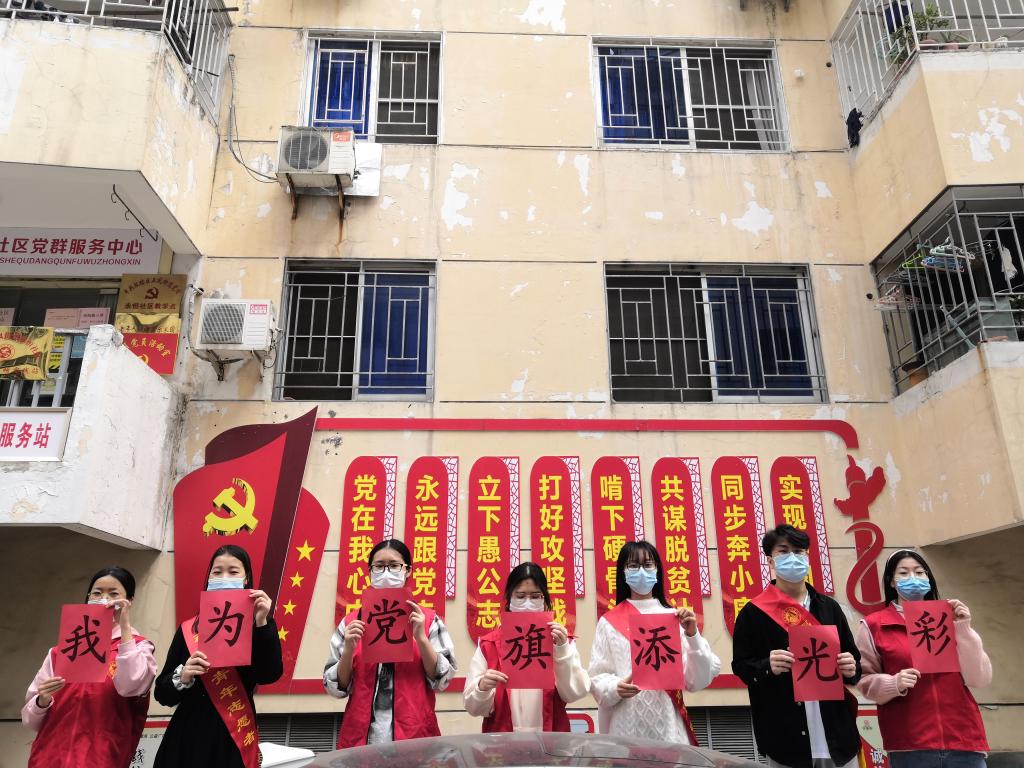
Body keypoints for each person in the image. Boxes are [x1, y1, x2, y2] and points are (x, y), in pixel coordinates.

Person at [732, 525, 862, 768]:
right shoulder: (753, 613)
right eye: (784, 551)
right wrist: (767, 665)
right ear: (770, 560)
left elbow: (854, 662)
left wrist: (850, 668)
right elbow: (741, 667)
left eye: (799, 551)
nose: (793, 557)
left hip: (837, 735)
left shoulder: (829, 608)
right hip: (786, 738)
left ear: (807, 557)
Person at [855, 550, 991, 768]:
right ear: (891, 581)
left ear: (928, 577)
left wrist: (963, 628)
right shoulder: (874, 625)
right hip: (911, 745)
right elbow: (864, 680)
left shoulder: (949, 618)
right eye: (904, 573)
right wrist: (894, 683)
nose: (913, 578)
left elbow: (979, 678)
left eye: (920, 572)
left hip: (963, 739)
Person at [154, 544, 282, 768]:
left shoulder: (257, 625)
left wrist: (262, 622)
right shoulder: (189, 629)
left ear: (246, 579)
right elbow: (162, 694)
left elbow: (269, 674)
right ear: (209, 578)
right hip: (188, 737)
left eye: (233, 572)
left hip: (232, 738)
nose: (224, 578)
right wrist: (183, 676)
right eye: (217, 572)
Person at [324, 538, 457, 746]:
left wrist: (421, 639)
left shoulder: (428, 620)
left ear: (408, 570)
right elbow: (336, 687)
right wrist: (348, 650)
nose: (386, 572)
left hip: (414, 737)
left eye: (394, 565)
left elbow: (442, 680)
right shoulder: (351, 622)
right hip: (362, 738)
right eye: (379, 566)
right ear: (370, 572)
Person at [22, 566, 156, 768]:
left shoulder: (139, 648)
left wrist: (125, 627)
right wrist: (42, 701)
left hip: (101, 760)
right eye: (97, 593)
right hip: (48, 759)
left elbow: (131, 685)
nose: (104, 599)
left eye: (113, 594)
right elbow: (30, 721)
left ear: (129, 600)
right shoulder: (60, 651)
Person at [588, 540, 720, 743]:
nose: (641, 571)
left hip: (670, 730)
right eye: (633, 565)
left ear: (657, 570)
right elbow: (597, 676)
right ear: (623, 572)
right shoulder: (608, 623)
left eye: (648, 565)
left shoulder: (675, 618)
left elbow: (697, 680)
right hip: (625, 728)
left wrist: (692, 635)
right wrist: (614, 687)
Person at [464, 561, 590, 731]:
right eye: (520, 596)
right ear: (509, 599)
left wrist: (562, 651)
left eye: (535, 596)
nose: (528, 602)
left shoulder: (560, 640)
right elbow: (473, 708)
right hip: (503, 741)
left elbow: (574, 693)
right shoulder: (489, 644)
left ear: (545, 600)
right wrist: (482, 687)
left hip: (551, 739)